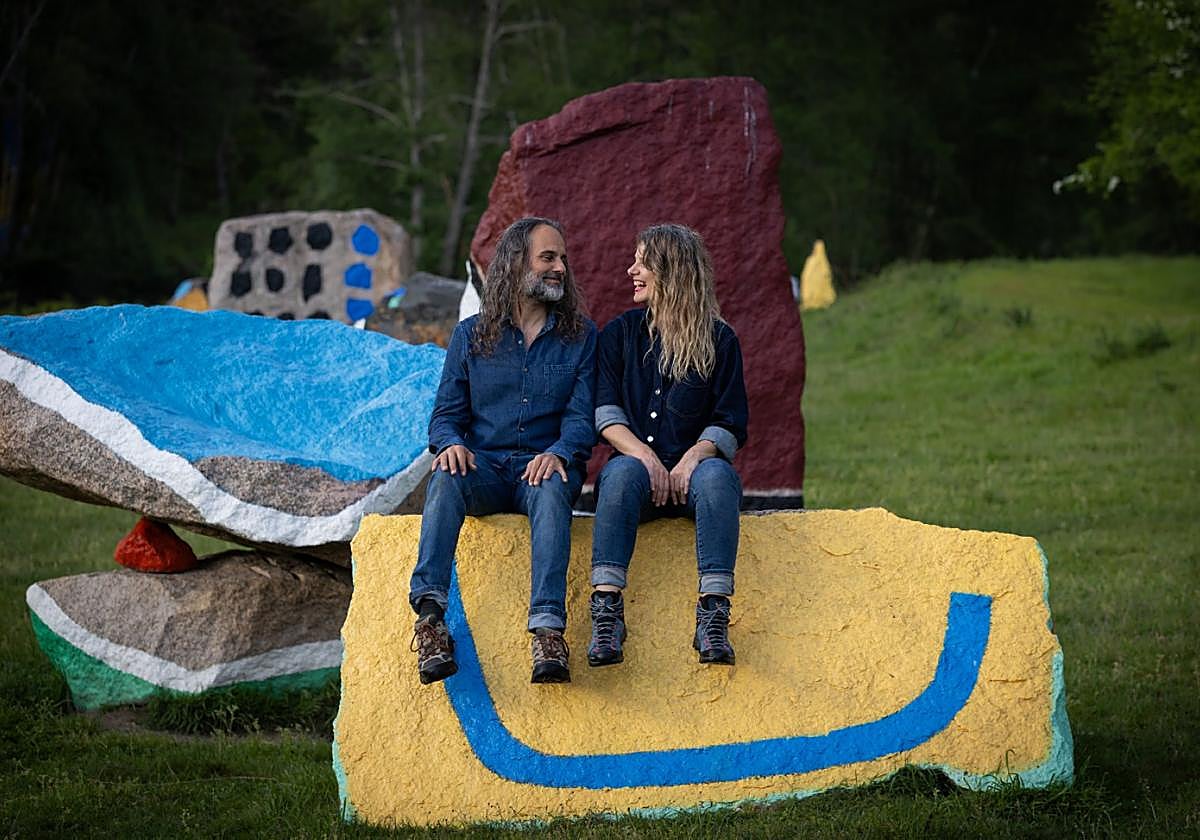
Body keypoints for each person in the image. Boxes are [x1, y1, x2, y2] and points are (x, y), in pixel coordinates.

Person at [408, 217, 597, 684]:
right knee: (445, 476)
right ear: (516, 263)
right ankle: (430, 621)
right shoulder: (470, 336)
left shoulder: (581, 337)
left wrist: (558, 452)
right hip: (486, 469)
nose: (560, 268)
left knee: (553, 485)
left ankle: (548, 633)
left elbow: (580, 420)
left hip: (545, 469)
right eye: (548, 258)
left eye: (563, 260)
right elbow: (445, 416)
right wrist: (450, 444)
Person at [588, 223, 748, 667]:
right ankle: (607, 614)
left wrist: (693, 457)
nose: (631, 270)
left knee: (718, 476)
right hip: (637, 478)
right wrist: (648, 459)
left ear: (672, 271)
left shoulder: (720, 340)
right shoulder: (620, 334)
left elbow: (730, 421)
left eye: (643, 262)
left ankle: (713, 617)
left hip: (695, 481)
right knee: (620, 473)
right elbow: (605, 413)